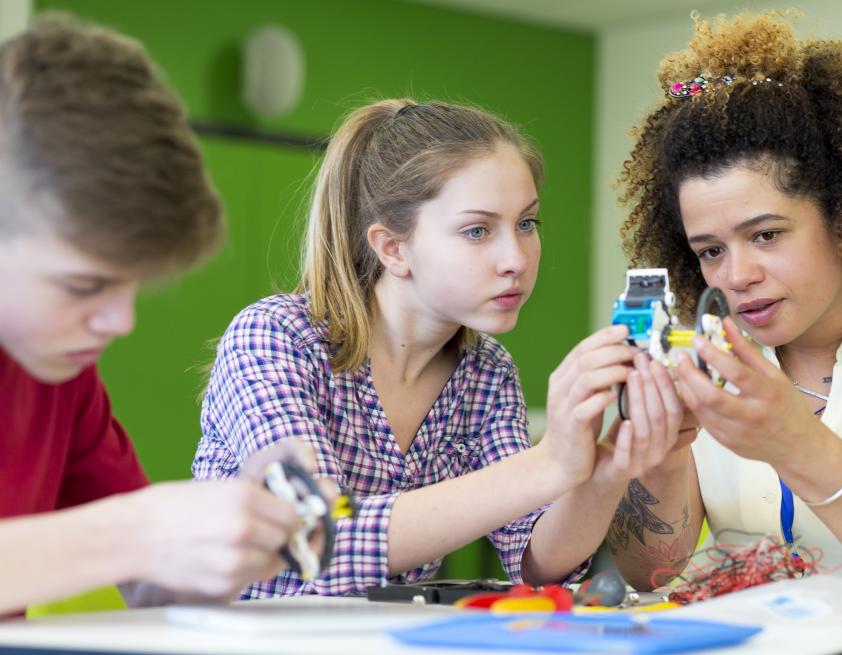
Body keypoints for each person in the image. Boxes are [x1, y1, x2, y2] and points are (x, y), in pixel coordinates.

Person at [194, 99, 672, 598]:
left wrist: (608, 466)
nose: (516, 259)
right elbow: (316, 538)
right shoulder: (274, 337)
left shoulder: (486, 373)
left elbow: (536, 564)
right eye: (477, 231)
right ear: (393, 248)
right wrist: (548, 463)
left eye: (527, 223)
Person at [609, 11, 842, 592]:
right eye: (709, 250)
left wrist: (794, 440)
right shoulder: (706, 351)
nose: (736, 276)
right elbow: (650, 571)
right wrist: (660, 452)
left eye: (766, 235)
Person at [0, 16, 321, 615]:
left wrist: (246, 532)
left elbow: (150, 588)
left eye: (131, 285)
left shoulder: (61, 377)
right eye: (84, 285)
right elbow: (131, 542)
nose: (120, 322)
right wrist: (136, 531)